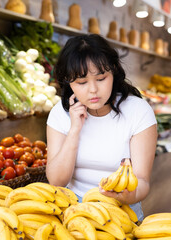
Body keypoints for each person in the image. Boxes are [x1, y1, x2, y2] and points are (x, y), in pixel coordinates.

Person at [46, 34, 157, 220]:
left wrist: (129, 195)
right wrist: (74, 130)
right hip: (73, 210)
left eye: (101, 78)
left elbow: (143, 181)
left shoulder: (138, 111)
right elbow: (56, 181)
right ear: (68, 82)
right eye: (81, 83)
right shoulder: (61, 113)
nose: (93, 90)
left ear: (113, 71)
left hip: (122, 210)